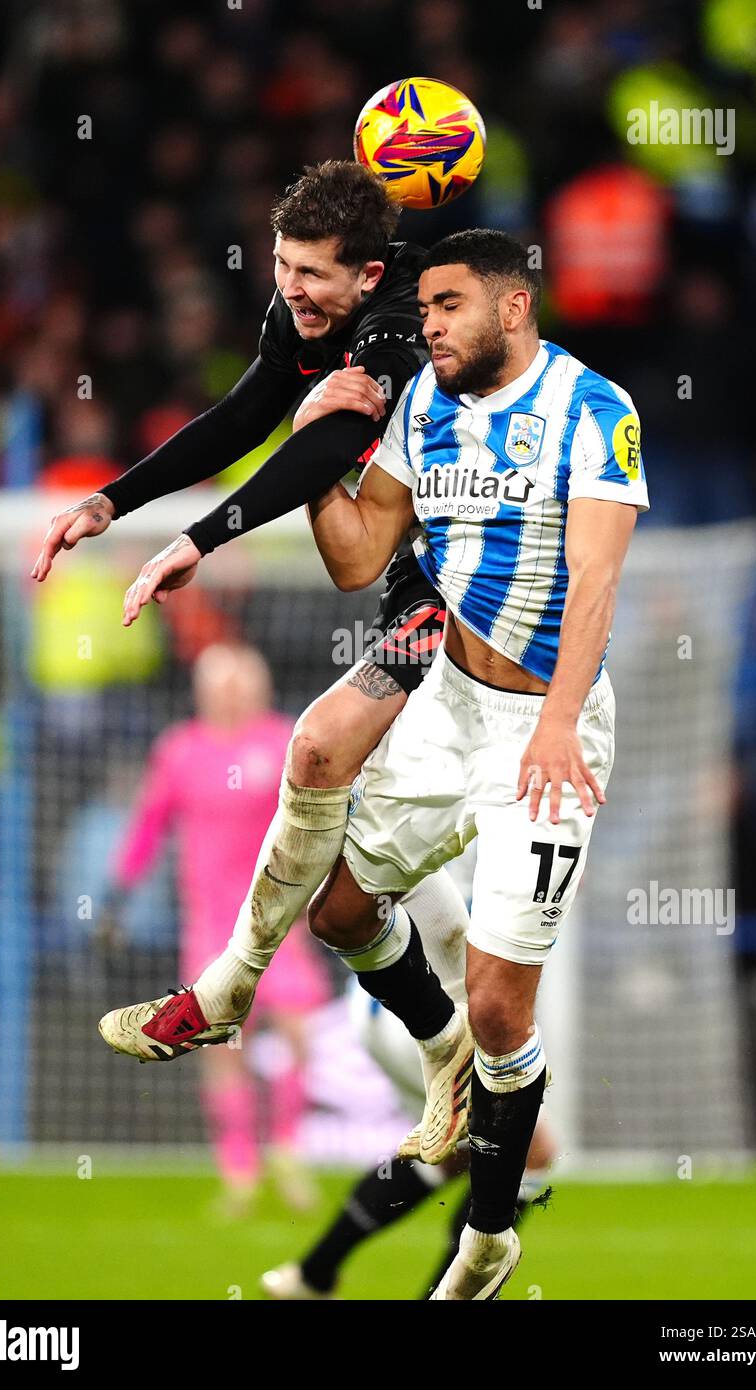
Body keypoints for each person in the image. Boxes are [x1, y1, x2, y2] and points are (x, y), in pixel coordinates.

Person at [30, 162, 462, 1092]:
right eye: (281, 265)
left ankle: (234, 993)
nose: (290, 289)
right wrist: (117, 498)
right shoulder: (302, 316)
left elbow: (333, 444)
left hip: (476, 604)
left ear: (370, 277)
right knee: (360, 893)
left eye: (312, 274)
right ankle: (456, 1072)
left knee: (319, 764)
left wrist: (203, 537)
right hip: (405, 588)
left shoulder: (411, 321)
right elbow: (248, 419)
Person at [299, 230, 648, 1298]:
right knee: (338, 910)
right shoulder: (425, 406)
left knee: (505, 1005)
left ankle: (488, 1235)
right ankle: (444, 1062)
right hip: (447, 707)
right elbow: (360, 555)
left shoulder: (597, 408)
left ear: (513, 306)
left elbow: (593, 581)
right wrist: (315, 455)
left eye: (447, 304)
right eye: (424, 306)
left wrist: (551, 721)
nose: (428, 325)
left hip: (549, 729)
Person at [259, 866, 557, 1300]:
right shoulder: (526, 827)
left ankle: (313, 1273)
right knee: (528, 1154)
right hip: (434, 1010)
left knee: (458, 1153)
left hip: (381, 996)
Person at [108, 642, 329, 1212]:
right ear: (203, 691)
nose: (232, 694)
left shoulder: (284, 740)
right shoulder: (180, 752)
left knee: (301, 1031)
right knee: (222, 1044)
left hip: (277, 919)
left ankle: (286, 1145)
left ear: (258, 687)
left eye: (241, 683)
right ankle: (239, 1168)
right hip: (210, 928)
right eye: (221, 684)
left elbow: (320, 818)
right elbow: (148, 827)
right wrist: (115, 897)